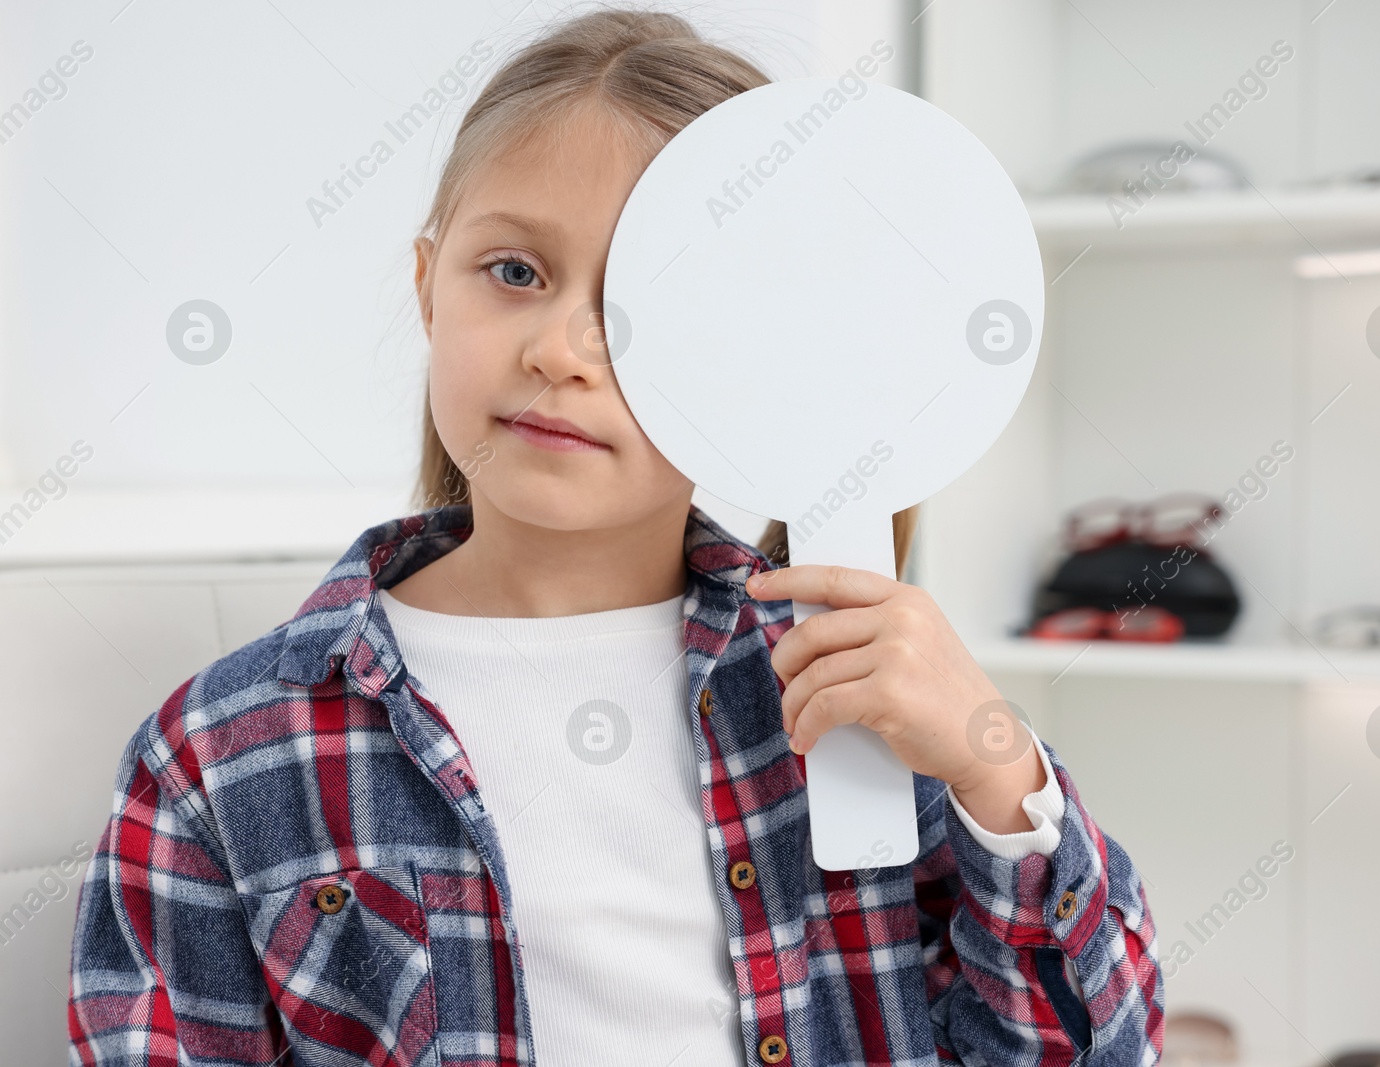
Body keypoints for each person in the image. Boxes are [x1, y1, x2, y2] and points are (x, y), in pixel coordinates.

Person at [66, 9, 1162, 1065]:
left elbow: (1096, 1048)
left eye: (657, 294)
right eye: (514, 273)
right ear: (426, 287)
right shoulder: (224, 753)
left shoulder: (855, 695)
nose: (562, 347)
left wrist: (995, 769)